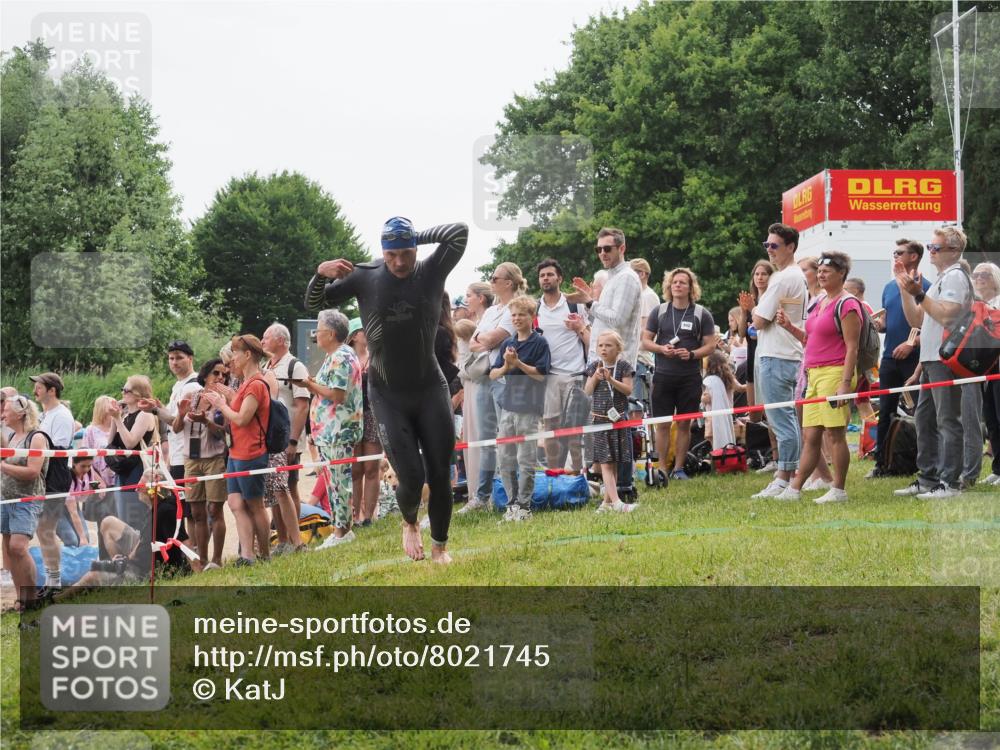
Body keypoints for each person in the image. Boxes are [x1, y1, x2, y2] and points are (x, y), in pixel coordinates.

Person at [305, 217, 469, 563]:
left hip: (430, 388)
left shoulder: (431, 271)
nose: (399, 262)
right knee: (411, 476)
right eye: (391, 254)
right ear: (383, 252)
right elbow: (314, 303)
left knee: (440, 473)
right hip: (388, 394)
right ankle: (409, 522)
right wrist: (320, 272)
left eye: (405, 252)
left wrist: (415, 237)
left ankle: (440, 546)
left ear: (415, 250)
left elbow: (458, 232)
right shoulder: (366, 277)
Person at [772, 252, 862, 503]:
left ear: (842, 273)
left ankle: (839, 489)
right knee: (811, 436)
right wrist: (789, 327)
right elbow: (810, 340)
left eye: (826, 271)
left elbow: (852, 346)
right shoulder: (820, 302)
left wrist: (845, 383)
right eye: (819, 270)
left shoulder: (847, 304)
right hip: (814, 373)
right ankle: (795, 489)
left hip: (835, 373)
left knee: (834, 434)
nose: (820, 274)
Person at [893, 226, 973, 499]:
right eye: (929, 247)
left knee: (947, 420)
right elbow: (917, 320)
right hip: (929, 359)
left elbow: (948, 316)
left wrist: (919, 293)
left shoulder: (955, 277)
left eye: (935, 248)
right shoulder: (941, 278)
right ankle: (928, 477)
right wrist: (905, 287)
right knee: (925, 419)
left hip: (945, 358)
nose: (930, 253)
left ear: (953, 251)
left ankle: (950, 482)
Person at [200, 334, 275, 564]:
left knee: (255, 504)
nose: (232, 359)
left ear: (248, 355)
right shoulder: (245, 384)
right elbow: (239, 410)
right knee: (234, 503)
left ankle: (264, 554)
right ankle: (247, 555)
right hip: (236, 452)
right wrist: (228, 396)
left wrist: (222, 404)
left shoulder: (256, 385)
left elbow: (242, 419)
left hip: (251, 452)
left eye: (235, 353)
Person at [294, 310, 364, 548]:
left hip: (338, 430)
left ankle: (342, 532)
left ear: (331, 334)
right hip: (330, 431)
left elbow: (337, 395)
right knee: (334, 482)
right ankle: (340, 529)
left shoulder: (341, 356)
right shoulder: (338, 355)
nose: (316, 336)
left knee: (339, 483)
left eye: (319, 331)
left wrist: (310, 384)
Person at [750, 224, 809, 499]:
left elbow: (759, 320)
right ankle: (788, 475)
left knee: (781, 421)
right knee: (785, 419)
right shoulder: (794, 276)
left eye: (774, 246)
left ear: (790, 247)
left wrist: (754, 311)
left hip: (777, 355)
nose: (770, 251)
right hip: (784, 353)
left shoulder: (783, 278)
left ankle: (785, 477)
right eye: (767, 245)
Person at [641, 267, 716, 481]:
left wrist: (692, 354)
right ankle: (662, 468)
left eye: (683, 282)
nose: (678, 285)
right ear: (669, 286)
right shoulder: (660, 311)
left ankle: (680, 468)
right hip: (663, 375)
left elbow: (710, 345)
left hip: (690, 377)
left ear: (691, 287)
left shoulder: (701, 313)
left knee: (685, 424)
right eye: (675, 282)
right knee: (662, 424)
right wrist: (662, 349)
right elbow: (645, 341)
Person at [461, 263, 522, 514]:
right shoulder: (490, 311)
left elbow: (491, 339)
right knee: (486, 440)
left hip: (506, 378)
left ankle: (514, 497)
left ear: (508, 282)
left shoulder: (515, 308)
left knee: (509, 438)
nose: (491, 281)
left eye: (495, 277)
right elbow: (477, 340)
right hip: (485, 377)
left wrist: (482, 340)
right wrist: (482, 340)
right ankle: (481, 497)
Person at [870, 239, 929, 478]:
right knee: (885, 411)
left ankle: (919, 463)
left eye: (900, 252)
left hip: (914, 359)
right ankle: (881, 463)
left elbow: (929, 325)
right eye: (894, 252)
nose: (895, 255)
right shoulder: (888, 287)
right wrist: (880, 326)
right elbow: (890, 320)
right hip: (889, 358)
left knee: (919, 412)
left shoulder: (925, 287)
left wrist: (912, 342)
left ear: (914, 256)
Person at [489, 295, 551, 521]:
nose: (516, 319)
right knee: (505, 459)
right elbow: (493, 373)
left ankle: (525, 506)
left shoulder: (540, 343)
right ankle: (511, 504)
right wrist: (507, 365)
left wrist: (519, 364)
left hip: (529, 407)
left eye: (521, 315)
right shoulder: (508, 343)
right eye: (513, 315)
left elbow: (541, 375)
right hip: (508, 406)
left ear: (531, 317)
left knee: (526, 459)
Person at [174, 358, 230, 569]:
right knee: (197, 513)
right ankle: (203, 560)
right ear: (205, 375)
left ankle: (217, 560)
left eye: (223, 374)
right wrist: (180, 415)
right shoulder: (191, 396)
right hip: (191, 460)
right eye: (216, 373)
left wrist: (205, 421)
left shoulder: (222, 400)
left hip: (214, 459)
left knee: (215, 509)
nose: (220, 377)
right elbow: (178, 428)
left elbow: (224, 433)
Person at [536, 258, 590, 473]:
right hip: (548, 377)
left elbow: (590, 340)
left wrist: (579, 328)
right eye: (542, 275)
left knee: (574, 432)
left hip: (576, 374)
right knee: (550, 430)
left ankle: (577, 477)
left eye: (550, 274)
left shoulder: (574, 305)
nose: (546, 278)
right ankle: (554, 476)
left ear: (559, 278)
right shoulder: (534, 308)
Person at [262, 322, 310, 551]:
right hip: (270, 439)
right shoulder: (265, 366)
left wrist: (292, 441)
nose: (262, 342)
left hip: (288, 439)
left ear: (280, 340)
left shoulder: (295, 366)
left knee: (289, 487)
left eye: (266, 337)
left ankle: (294, 540)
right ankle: (282, 541)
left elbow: (302, 406)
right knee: (273, 489)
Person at [0, 396, 48, 610]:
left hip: (27, 499)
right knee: (11, 550)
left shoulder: (36, 437)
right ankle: (21, 599)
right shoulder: (9, 435)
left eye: (6, 410)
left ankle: (32, 596)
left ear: (20, 414)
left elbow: (32, 472)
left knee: (18, 547)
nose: (3, 413)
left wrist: (2, 466)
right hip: (6, 499)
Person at [29, 372, 74, 592]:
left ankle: (55, 581)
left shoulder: (62, 415)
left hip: (55, 473)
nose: (35, 390)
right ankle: (51, 579)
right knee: (42, 529)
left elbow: (58, 450)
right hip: (44, 472)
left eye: (39, 386)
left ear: (51, 390)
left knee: (46, 528)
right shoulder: (45, 415)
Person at [584, 331, 637, 513]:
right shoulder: (593, 367)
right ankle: (616, 502)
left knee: (614, 462)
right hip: (600, 421)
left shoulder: (624, 366)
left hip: (619, 421)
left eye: (608, 345)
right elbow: (587, 391)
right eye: (601, 345)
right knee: (606, 463)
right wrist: (596, 378)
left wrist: (611, 379)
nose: (604, 349)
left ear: (618, 348)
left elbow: (628, 390)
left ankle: (606, 503)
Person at [139, 341, 201, 485]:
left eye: (179, 357)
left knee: (187, 505)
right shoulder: (178, 385)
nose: (174, 362)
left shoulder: (193, 385)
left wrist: (155, 410)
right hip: (176, 454)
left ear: (190, 359)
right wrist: (159, 407)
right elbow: (172, 416)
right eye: (171, 358)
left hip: (187, 455)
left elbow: (176, 423)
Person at [106, 376, 158, 530]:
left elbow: (130, 443)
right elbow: (110, 443)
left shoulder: (145, 415)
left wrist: (118, 419)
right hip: (123, 470)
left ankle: (139, 551)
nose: (123, 393)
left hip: (137, 470)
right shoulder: (126, 415)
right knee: (123, 518)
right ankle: (130, 551)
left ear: (138, 394)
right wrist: (115, 418)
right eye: (122, 389)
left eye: (127, 390)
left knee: (135, 516)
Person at [346, 316, 381, 527]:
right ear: (355, 334)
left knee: (371, 467)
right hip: (351, 416)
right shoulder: (345, 357)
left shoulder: (376, 356)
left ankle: (368, 516)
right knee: (355, 469)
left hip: (373, 414)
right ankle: (355, 515)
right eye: (365, 330)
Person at [974, 263, 1000, 485]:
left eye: (985, 275)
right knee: (991, 419)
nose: (980, 278)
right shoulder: (979, 304)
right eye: (977, 275)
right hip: (987, 368)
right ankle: (997, 468)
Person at [630, 258, 661, 419]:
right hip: (634, 357)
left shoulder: (647, 296)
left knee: (636, 407)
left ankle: (637, 443)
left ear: (641, 274)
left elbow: (645, 332)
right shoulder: (640, 296)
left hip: (640, 359)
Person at [703, 350, 741, 450]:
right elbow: (740, 388)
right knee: (726, 438)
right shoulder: (728, 378)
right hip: (727, 414)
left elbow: (706, 399)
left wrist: (701, 398)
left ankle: (717, 462)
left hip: (712, 416)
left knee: (715, 443)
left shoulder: (709, 380)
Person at [81, 396, 116, 489]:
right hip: (98, 482)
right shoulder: (91, 430)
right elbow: (85, 459)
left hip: (118, 480)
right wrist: (99, 481)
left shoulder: (119, 429)